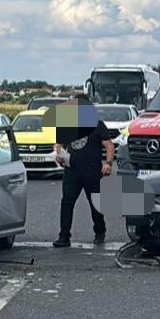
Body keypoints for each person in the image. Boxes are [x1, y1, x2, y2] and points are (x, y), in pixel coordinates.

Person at [52, 96, 115, 247]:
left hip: (92, 172)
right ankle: (64, 236)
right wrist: (59, 156)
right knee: (67, 203)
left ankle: (100, 231)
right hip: (72, 172)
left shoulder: (97, 125)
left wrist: (108, 163)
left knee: (95, 204)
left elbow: (109, 146)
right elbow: (59, 144)